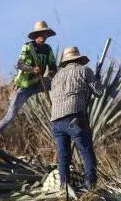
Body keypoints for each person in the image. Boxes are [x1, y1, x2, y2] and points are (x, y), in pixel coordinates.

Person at [0, 21, 57, 145]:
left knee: (57, 86)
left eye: (45, 34)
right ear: (36, 35)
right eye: (41, 34)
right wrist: (32, 69)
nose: (43, 37)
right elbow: (20, 64)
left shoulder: (47, 49)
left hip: (39, 83)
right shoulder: (28, 47)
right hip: (24, 85)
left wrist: (50, 76)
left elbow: (52, 66)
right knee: (10, 115)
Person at [49, 46, 103, 190]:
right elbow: (98, 92)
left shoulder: (56, 77)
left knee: (64, 156)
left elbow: (52, 96)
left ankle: (64, 187)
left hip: (56, 120)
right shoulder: (84, 70)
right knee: (86, 151)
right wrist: (97, 79)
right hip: (75, 117)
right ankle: (90, 186)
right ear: (79, 59)